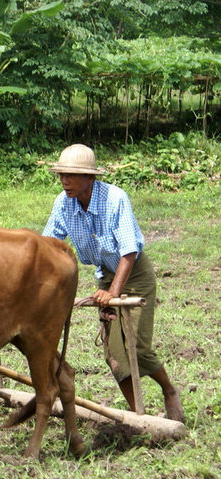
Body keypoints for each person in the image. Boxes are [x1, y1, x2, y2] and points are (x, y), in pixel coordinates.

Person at [42, 144, 184, 422]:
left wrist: (113, 293)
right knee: (115, 356)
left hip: (134, 274)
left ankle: (169, 391)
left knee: (138, 348)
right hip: (106, 276)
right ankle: (138, 415)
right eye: (62, 175)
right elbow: (50, 246)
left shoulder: (115, 199)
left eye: (72, 175)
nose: (65, 181)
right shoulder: (63, 203)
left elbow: (129, 250)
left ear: (90, 178)